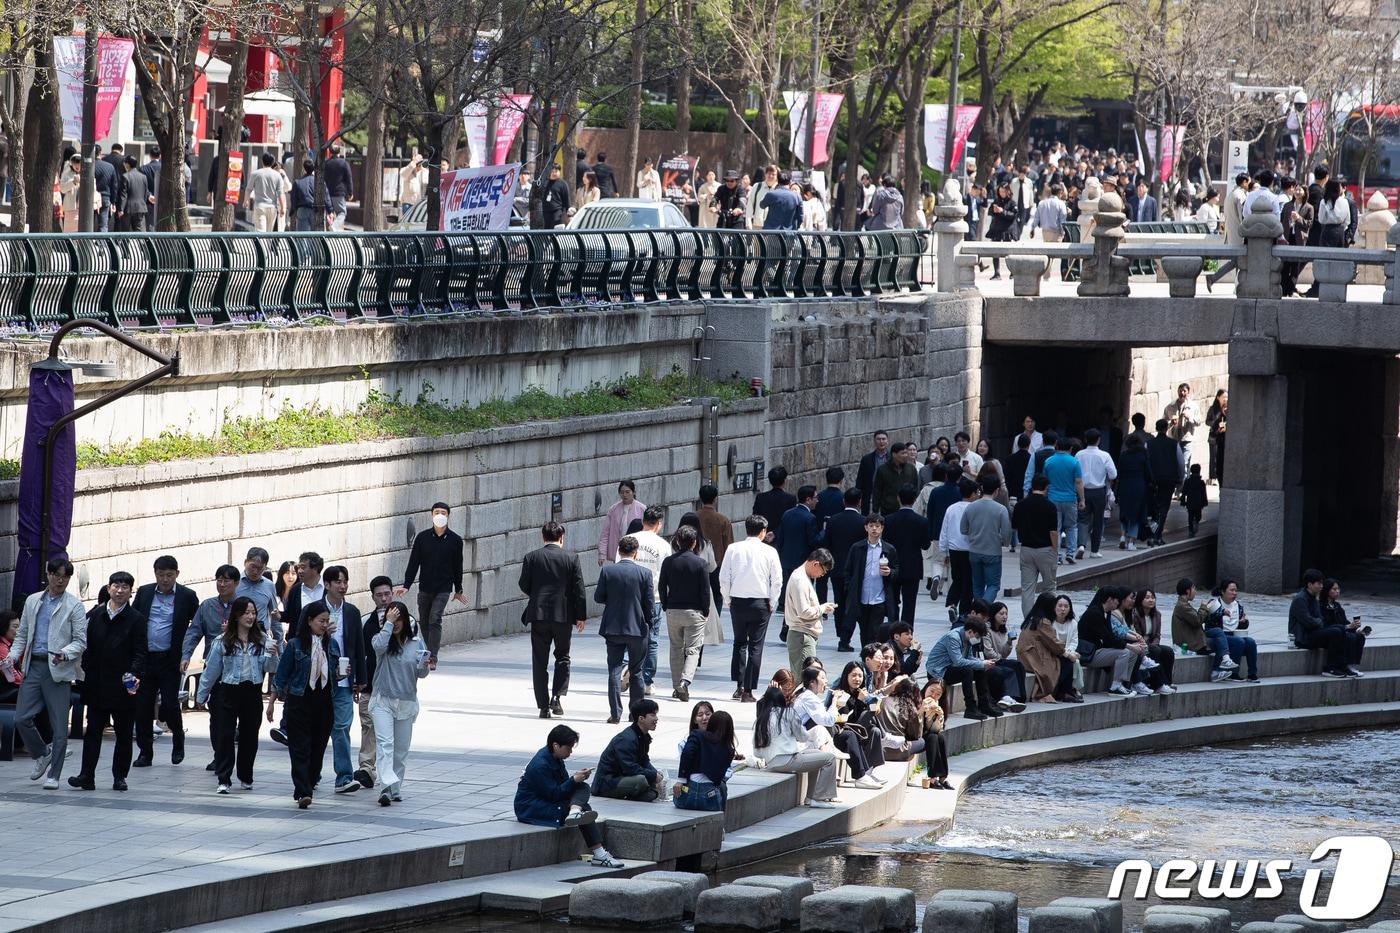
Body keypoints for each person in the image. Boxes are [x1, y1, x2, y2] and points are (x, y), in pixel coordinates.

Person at [6, 560, 88, 788]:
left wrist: (65, 652)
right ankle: (42, 752)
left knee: (60, 726)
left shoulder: (74, 606)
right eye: (57, 575)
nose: (61, 580)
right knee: (21, 717)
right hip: (34, 665)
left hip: (58, 667)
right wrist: (13, 656)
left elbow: (80, 641)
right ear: (49, 575)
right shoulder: (33, 601)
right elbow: (22, 634)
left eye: (66, 577)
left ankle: (54, 774)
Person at [69, 572, 146, 791]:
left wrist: (134, 673)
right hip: (96, 685)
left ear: (131, 591)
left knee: (123, 734)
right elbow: (84, 647)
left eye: (125, 587)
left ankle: (119, 777)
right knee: (92, 732)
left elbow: (141, 652)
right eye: (116, 586)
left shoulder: (136, 619)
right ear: (109, 587)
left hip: (123, 687)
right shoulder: (95, 615)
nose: (120, 590)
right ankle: (86, 776)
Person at [196, 596, 277, 793]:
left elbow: (271, 667)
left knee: (250, 736)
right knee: (225, 735)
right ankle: (224, 779)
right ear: (236, 616)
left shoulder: (262, 640)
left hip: (252, 691)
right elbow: (212, 670)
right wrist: (201, 694)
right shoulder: (222, 641)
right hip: (228, 691)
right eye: (246, 613)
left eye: (253, 613)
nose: (250, 616)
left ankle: (246, 776)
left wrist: (272, 654)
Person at [516, 724, 625, 867]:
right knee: (584, 807)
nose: (570, 752)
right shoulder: (540, 764)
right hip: (532, 808)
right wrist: (574, 780)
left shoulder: (554, 758)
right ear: (556, 745)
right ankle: (599, 853)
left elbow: (563, 786)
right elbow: (554, 794)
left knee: (583, 787)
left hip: (546, 800)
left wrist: (577, 779)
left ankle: (575, 812)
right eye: (568, 748)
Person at [271, 601, 339, 809]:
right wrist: (272, 702)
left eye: (328, 621)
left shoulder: (331, 644)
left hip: (324, 701)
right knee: (299, 748)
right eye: (321, 621)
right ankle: (303, 791)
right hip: (299, 700)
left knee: (317, 749)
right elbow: (281, 674)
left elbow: (337, 672)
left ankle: (307, 783)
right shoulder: (295, 645)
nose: (325, 625)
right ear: (309, 621)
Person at [132, 555, 198, 768]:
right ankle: (145, 752)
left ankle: (178, 737)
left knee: (170, 704)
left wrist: (187, 653)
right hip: (145, 659)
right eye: (161, 575)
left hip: (170, 660)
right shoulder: (144, 592)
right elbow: (133, 620)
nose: (165, 579)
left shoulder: (188, 596)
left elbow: (196, 625)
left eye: (169, 575)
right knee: (142, 707)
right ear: (155, 574)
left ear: (177, 574)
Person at [520, 521, 588, 717]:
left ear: (543, 537)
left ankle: (542, 706)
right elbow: (579, 589)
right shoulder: (571, 557)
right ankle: (557, 697)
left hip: (539, 615)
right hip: (563, 616)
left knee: (539, 660)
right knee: (563, 656)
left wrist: (537, 596)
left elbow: (524, 584)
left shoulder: (532, 557)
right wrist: (580, 616)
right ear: (562, 537)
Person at [367, 600, 429, 806]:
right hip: (383, 699)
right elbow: (377, 646)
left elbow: (421, 673)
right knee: (386, 744)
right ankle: (385, 786)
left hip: (406, 702)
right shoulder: (382, 640)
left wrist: (426, 665)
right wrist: (388, 624)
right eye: (393, 618)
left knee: (401, 750)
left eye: (399, 618)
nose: (396, 622)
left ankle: (395, 788)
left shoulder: (416, 643)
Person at [719, 516, 784, 702]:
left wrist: (727, 598)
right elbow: (777, 580)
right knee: (756, 646)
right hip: (760, 603)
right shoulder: (770, 551)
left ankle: (738, 686)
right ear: (763, 531)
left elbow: (724, 577)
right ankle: (748, 690)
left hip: (738, 601)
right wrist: (773, 602)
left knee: (739, 643)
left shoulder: (733, 548)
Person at [396, 502, 466, 668]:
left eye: (443, 512)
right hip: (425, 587)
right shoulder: (422, 537)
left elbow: (458, 565)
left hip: (443, 588)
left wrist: (459, 588)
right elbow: (414, 562)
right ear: (431, 515)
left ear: (448, 516)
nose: (440, 515)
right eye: (437, 512)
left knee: (435, 619)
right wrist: (407, 584)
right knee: (425, 621)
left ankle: (432, 657)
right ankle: (428, 651)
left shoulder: (455, 540)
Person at [319, 567, 367, 793]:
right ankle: (311, 773)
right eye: (338, 582)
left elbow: (358, 646)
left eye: (345, 581)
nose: (343, 586)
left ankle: (344, 777)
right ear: (327, 584)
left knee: (341, 727)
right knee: (316, 729)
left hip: (344, 680)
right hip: (318, 679)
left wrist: (360, 678)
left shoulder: (351, 612)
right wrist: (322, 634)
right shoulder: (315, 610)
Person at [794, 665, 884, 788]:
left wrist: (866, 703)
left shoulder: (810, 696)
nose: (826, 681)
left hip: (822, 733)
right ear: (812, 682)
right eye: (823, 678)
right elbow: (829, 720)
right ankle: (861, 776)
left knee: (868, 732)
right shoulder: (811, 697)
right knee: (849, 736)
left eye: (860, 676)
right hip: (808, 738)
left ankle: (864, 773)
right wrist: (836, 702)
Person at [596, 536, 653, 723]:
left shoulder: (608, 571)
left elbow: (599, 597)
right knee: (636, 671)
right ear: (636, 553)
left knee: (614, 668)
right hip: (637, 628)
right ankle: (636, 714)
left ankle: (615, 713)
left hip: (613, 627)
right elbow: (649, 605)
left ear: (619, 551)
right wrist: (649, 623)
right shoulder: (645, 573)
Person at [751, 684, 838, 808]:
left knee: (818, 755)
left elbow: (757, 753)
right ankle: (820, 798)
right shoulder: (788, 712)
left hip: (771, 763)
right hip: (788, 761)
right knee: (829, 758)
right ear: (781, 700)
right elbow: (803, 736)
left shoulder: (760, 719)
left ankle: (810, 797)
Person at [659, 525, 711, 702]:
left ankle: (676, 685)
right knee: (693, 649)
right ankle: (685, 681)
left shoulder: (669, 562)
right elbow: (705, 591)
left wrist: (666, 605)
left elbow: (661, 586)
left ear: (677, 541)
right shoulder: (700, 563)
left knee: (675, 647)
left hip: (673, 610)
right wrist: (706, 610)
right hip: (694, 612)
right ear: (694, 543)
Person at [355, 575, 398, 788]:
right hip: (370, 686)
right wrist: (357, 681)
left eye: (387, 594)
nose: (384, 599)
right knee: (368, 726)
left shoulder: (407, 622)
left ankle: (387, 774)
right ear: (372, 597)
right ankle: (366, 769)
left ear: (393, 593)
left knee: (390, 736)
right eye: (379, 595)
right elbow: (360, 654)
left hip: (394, 690)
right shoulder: (364, 622)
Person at [924, 617, 1000, 720]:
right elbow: (959, 661)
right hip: (938, 672)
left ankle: (984, 704)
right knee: (967, 671)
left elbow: (968, 657)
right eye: (977, 636)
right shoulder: (953, 638)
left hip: (950, 668)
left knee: (980, 670)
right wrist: (981, 663)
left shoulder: (967, 638)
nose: (978, 639)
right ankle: (970, 708)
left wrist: (983, 663)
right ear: (970, 632)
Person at [594, 698, 665, 801]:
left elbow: (644, 760)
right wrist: (652, 775)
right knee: (641, 780)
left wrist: (655, 774)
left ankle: (645, 792)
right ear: (641, 718)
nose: (656, 719)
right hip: (608, 783)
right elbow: (630, 768)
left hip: (623, 777)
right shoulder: (626, 739)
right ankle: (644, 793)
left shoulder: (643, 736)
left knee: (653, 779)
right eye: (653, 715)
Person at [845, 513, 898, 647]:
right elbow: (848, 569)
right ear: (866, 528)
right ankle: (866, 655)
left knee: (875, 630)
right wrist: (849, 587)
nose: (874, 529)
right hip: (861, 597)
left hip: (879, 597)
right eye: (871, 526)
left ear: (882, 528)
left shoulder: (889, 549)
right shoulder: (857, 548)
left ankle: (873, 656)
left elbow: (897, 569)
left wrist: (890, 572)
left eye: (877, 526)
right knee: (863, 630)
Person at [825, 488, 868, 652]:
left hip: (836, 568)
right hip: (856, 571)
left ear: (844, 501)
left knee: (839, 601)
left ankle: (840, 632)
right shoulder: (862, 522)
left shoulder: (832, 521)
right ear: (860, 502)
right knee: (852, 603)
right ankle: (845, 637)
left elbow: (827, 544)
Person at [1288, 569, 1353, 677]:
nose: (1322, 586)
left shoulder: (1313, 598)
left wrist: (1317, 621)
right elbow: (1309, 622)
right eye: (1319, 583)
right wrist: (1317, 621)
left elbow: (1320, 619)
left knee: (1341, 629)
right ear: (1309, 584)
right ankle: (1330, 668)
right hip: (1302, 637)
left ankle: (1341, 665)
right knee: (1335, 632)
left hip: (1313, 632)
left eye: (1322, 583)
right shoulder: (1300, 599)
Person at [1015, 593, 1077, 702]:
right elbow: (1054, 643)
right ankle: (1060, 692)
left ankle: (1066, 692)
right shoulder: (1043, 622)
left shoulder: (1034, 618)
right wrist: (1067, 654)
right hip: (1032, 658)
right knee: (1066, 662)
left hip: (1027, 656)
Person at [883, 486, 931, 627]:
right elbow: (925, 545)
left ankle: (892, 629)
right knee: (910, 603)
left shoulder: (889, 520)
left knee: (892, 601)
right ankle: (906, 632)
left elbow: (884, 544)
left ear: (898, 498)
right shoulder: (922, 521)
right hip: (913, 566)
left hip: (892, 566)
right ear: (915, 499)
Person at [1012, 474, 1058, 617]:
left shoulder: (1020, 505)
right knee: (1049, 587)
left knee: (1027, 588)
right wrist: (1055, 550)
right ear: (1046, 488)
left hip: (1026, 549)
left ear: (1032, 487)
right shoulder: (1050, 506)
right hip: (1045, 549)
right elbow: (1053, 532)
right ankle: (1049, 617)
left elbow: (1014, 527)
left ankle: (1028, 620)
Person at [783, 550, 836, 673]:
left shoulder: (802, 577)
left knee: (804, 677)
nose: (822, 575)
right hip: (801, 635)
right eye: (823, 571)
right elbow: (804, 612)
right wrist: (822, 608)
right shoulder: (800, 579)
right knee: (804, 678)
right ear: (816, 564)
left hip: (803, 634)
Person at [961, 474, 1010, 605]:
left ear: (981, 488)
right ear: (997, 490)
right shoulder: (1001, 509)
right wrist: (1004, 542)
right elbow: (1006, 533)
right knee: (993, 585)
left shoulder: (970, 506)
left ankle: (977, 611)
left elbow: (963, 530)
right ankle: (982, 609)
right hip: (993, 551)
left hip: (974, 551)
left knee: (977, 585)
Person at [674, 709, 737, 811]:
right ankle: (722, 824)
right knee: (721, 789)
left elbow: (687, 753)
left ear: (711, 723)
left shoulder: (697, 735)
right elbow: (719, 778)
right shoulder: (729, 750)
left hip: (688, 794)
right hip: (709, 797)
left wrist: (681, 779)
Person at [775, 485, 821, 615]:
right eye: (815, 498)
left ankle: (785, 607)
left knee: (788, 586)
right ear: (808, 499)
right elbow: (813, 541)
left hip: (787, 559)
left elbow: (781, 538)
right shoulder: (810, 518)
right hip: (803, 562)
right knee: (803, 591)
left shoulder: (787, 514)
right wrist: (824, 532)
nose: (817, 501)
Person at [939, 478, 979, 619]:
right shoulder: (974, 508)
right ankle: (964, 612)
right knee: (968, 582)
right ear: (973, 494)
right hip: (969, 549)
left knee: (957, 579)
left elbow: (944, 530)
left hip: (954, 549)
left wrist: (943, 551)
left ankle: (952, 604)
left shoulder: (952, 508)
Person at [1074, 428, 1117, 559]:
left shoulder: (1079, 455)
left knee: (1082, 519)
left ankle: (1081, 544)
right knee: (1099, 520)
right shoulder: (1105, 455)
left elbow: (1074, 474)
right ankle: (1094, 550)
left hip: (1083, 490)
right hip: (1099, 491)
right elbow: (1113, 474)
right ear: (1099, 440)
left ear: (1085, 440)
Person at [1042, 438, 1084, 564]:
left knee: (1056, 528)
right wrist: (1082, 499)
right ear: (1070, 449)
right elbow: (1078, 482)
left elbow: (1045, 481)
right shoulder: (1074, 462)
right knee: (1072, 526)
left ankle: (1057, 555)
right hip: (1070, 499)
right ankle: (1070, 553)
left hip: (1053, 499)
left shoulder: (1048, 461)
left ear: (1056, 446)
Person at [1128, 588, 1176, 694]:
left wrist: (1154, 644)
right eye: (1147, 597)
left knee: (1168, 651)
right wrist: (1149, 646)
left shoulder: (1157, 614)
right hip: (1140, 644)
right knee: (1155, 651)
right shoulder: (1135, 615)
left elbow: (1157, 635)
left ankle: (1167, 682)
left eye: (1153, 597)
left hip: (1152, 644)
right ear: (1140, 600)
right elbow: (1137, 634)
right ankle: (1158, 684)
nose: (1151, 600)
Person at [982, 602, 1028, 710]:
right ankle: (1010, 697)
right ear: (993, 614)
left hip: (999, 659)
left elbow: (1005, 653)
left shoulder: (1004, 629)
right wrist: (1000, 658)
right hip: (989, 661)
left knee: (1018, 665)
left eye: (1006, 614)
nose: (1004, 617)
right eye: (1001, 614)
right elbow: (988, 652)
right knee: (1010, 669)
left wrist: (1009, 642)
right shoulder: (986, 629)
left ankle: (1020, 697)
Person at [1318, 577, 1367, 676]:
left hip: (1341, 630)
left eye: (1338, 589)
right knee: (1350, 637)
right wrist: (1347, 627)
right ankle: (1343, 665)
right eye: (1334, 589)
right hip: (1330, 633)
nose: (1337, 591)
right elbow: (1327, 624)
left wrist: (1355, 627)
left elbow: (1344, 621)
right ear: (1327, 591)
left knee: (1359, 636)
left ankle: (1352, 664)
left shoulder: (1337, 606)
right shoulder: (1321, 606)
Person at [696, 485, 734, 611]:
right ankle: (715, 621)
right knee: (717, 596)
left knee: (697, 593)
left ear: (700, 498)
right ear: (715, 499)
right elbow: (729, 545)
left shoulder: (693, 517)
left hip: (695, 561)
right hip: (717, 564)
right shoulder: (723, 520)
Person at [1147, 419, 1183, 546]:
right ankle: (1157, 535)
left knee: (1154, 509)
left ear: (1156, 428)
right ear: (1166, 428)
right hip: (1168, 480)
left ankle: (1152, 534)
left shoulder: (1149, 444)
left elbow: (1146, 462)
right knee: (1163, 509)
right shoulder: (1174, 444)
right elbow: (1180, 463)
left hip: (1153, 480)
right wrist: (1180, 479)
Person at [598, 481, 646, 568]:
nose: (625, 495)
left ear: (633, 492)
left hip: (636, 552)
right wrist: (602, 554)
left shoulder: (642, 509)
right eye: (622, 492)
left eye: (627, 492)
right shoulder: (613, 509)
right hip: (618, 551)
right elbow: (605, 533)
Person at [1164, 383, 1202, 475]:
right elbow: (1163, 422)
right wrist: (1170, 423)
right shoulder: (1170, 407)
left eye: (1184, 391)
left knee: (1184, 464)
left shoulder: (1193, 406)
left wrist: (1190, 418)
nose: (1182, 393)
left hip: (1187, 439)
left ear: (1188, 392)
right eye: (1180, 390)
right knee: (1176, 464)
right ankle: (1181, 485)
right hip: (1174, 439)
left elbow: (1199, 422)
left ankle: (1182, 488)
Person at [985, 182, 1018, 279]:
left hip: (1007, 230)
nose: (1002, 193)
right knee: (995, 252)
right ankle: (997, 272)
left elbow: (1013, 215)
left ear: (1008, 191)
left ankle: (1012, 272)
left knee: (1009, 252)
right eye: (1000, 191)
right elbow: (990, 212)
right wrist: (994, 211)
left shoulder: (1012, 203)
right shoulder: (996, 201)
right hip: (996, 229)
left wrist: (1002, 211)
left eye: (1004, 191)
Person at [246, 153, 286, 232]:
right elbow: (280, 193)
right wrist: (282, 208)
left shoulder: (255, 174)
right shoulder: (277, 175)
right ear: (273, 162)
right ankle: (267, 244)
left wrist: (245, 200)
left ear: (262, 161)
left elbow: (248, 189)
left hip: (259, 206)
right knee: (269, 233)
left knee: (260, 231)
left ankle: (262, 244)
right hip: (272, 208)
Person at [855, 430, 892, 515]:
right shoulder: (866, 459)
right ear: (874, 441)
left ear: (887, 441)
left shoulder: (892, 459)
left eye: (883, 439)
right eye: (878, 439)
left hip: (888, 496)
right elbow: (860, 480)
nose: (881, 442)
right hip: (870, 496)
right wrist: (857, 498)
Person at [753, 466, 797, 533]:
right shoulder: (790, 498)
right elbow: (790, 521)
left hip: (763, 535)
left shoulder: (761, 497)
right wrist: (775, 533)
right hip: (781, 537)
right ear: (784, 480)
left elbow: (755, 518)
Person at [117, 155, 152, 231]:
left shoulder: (125, 176)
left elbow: (123, 194)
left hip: (128, 209)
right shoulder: (143, 177)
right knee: (139, 232)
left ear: (127, 164)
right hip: (141, 207)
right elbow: (145, 192)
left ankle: (125, 243)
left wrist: (121, 209)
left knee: (125, 233)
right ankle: (141, 243)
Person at [323, 144, 353, 230]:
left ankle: (326, 232)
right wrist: (350, 192)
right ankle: (334, 226)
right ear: (339, 152)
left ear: (330, 152)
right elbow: (349, 178)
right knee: (342, 212)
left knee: (329, 213)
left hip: (327, 192)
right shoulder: (344, 163)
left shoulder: (326, 163)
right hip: (339, 193)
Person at [1316, 179, 1349, 247]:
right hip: (1340, 231)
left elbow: (1321, 219)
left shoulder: (1324, 202)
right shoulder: (1345, 201)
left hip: (1327, 231)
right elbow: (1347, 221)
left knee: (1325, 255)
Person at [1205, 389, 1228, 485]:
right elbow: (1207, 421)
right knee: (1213, 457)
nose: (1225, 399)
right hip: (1215, 436)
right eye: (1223, 397)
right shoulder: (1213, 409)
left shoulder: (1228, 409)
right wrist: (1216, 423)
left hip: (1224, 437)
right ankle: (1213, 476)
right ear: (1218, 397)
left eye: (1226, 397)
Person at [1181, 464, 1207, 537]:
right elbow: (1204, 494)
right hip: (1198, 503)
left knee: (1190, 516)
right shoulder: (1201, 483)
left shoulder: (1188, 481)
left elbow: (1184, 492)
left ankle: (1190, 530)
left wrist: (1183, 501)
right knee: (1198, 516)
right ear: (1199, 471)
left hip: (1190, 503)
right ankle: (1195, 523)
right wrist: (1204, 502)